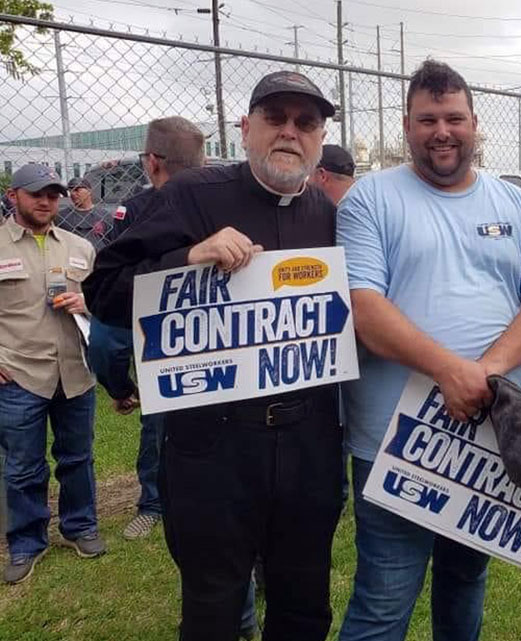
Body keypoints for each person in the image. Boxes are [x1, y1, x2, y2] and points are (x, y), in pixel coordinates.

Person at [83, 70, 344, 641]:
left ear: (320, 137)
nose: (290, 133)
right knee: (213, 608)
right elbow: (102, 291)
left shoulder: (329, 215)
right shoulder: (190, 196)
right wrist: (185, 258)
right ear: (245, 128)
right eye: (275, 119)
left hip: (308, 444)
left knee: (304, 605)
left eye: (306, 123)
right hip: (213, 446)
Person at [336, 59, 521, 641]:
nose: (443, 130)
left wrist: (479, 376)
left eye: (455, 118)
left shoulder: (515, 204)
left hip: (494, 434)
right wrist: (447, 370)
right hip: (396, 438)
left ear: (475, 124)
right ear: (407, 126)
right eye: (428, 119)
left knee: (465, 587)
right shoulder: (370, 199)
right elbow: (365, 309)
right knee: (384, 598)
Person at [88, 116, 206, 544]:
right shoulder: (229, 201)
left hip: (166, 340)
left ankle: (155, 504)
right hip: (229, 343)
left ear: (152, 161)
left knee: (161, 426)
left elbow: (106, 332)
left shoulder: (138, 211)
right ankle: (157, 503)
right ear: (204, 158)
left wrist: (119, 387)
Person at [0, 163, 105, 585]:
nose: (47, 201)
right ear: (13, 196)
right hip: (20, 373)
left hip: (75, 372)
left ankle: (80, 527)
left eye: (54, 194)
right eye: (36, 194)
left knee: (77, 457)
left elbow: (105, 303)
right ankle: (26, 542)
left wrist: (88, 307)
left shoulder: (80, 247)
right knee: (23, 464)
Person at [57, 177, 114, 250]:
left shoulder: (104, 214)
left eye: (77, 190)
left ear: (89, 191)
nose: (73, 194)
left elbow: (112, 239)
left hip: (100, 258)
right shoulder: (61, 216)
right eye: (70, 190)